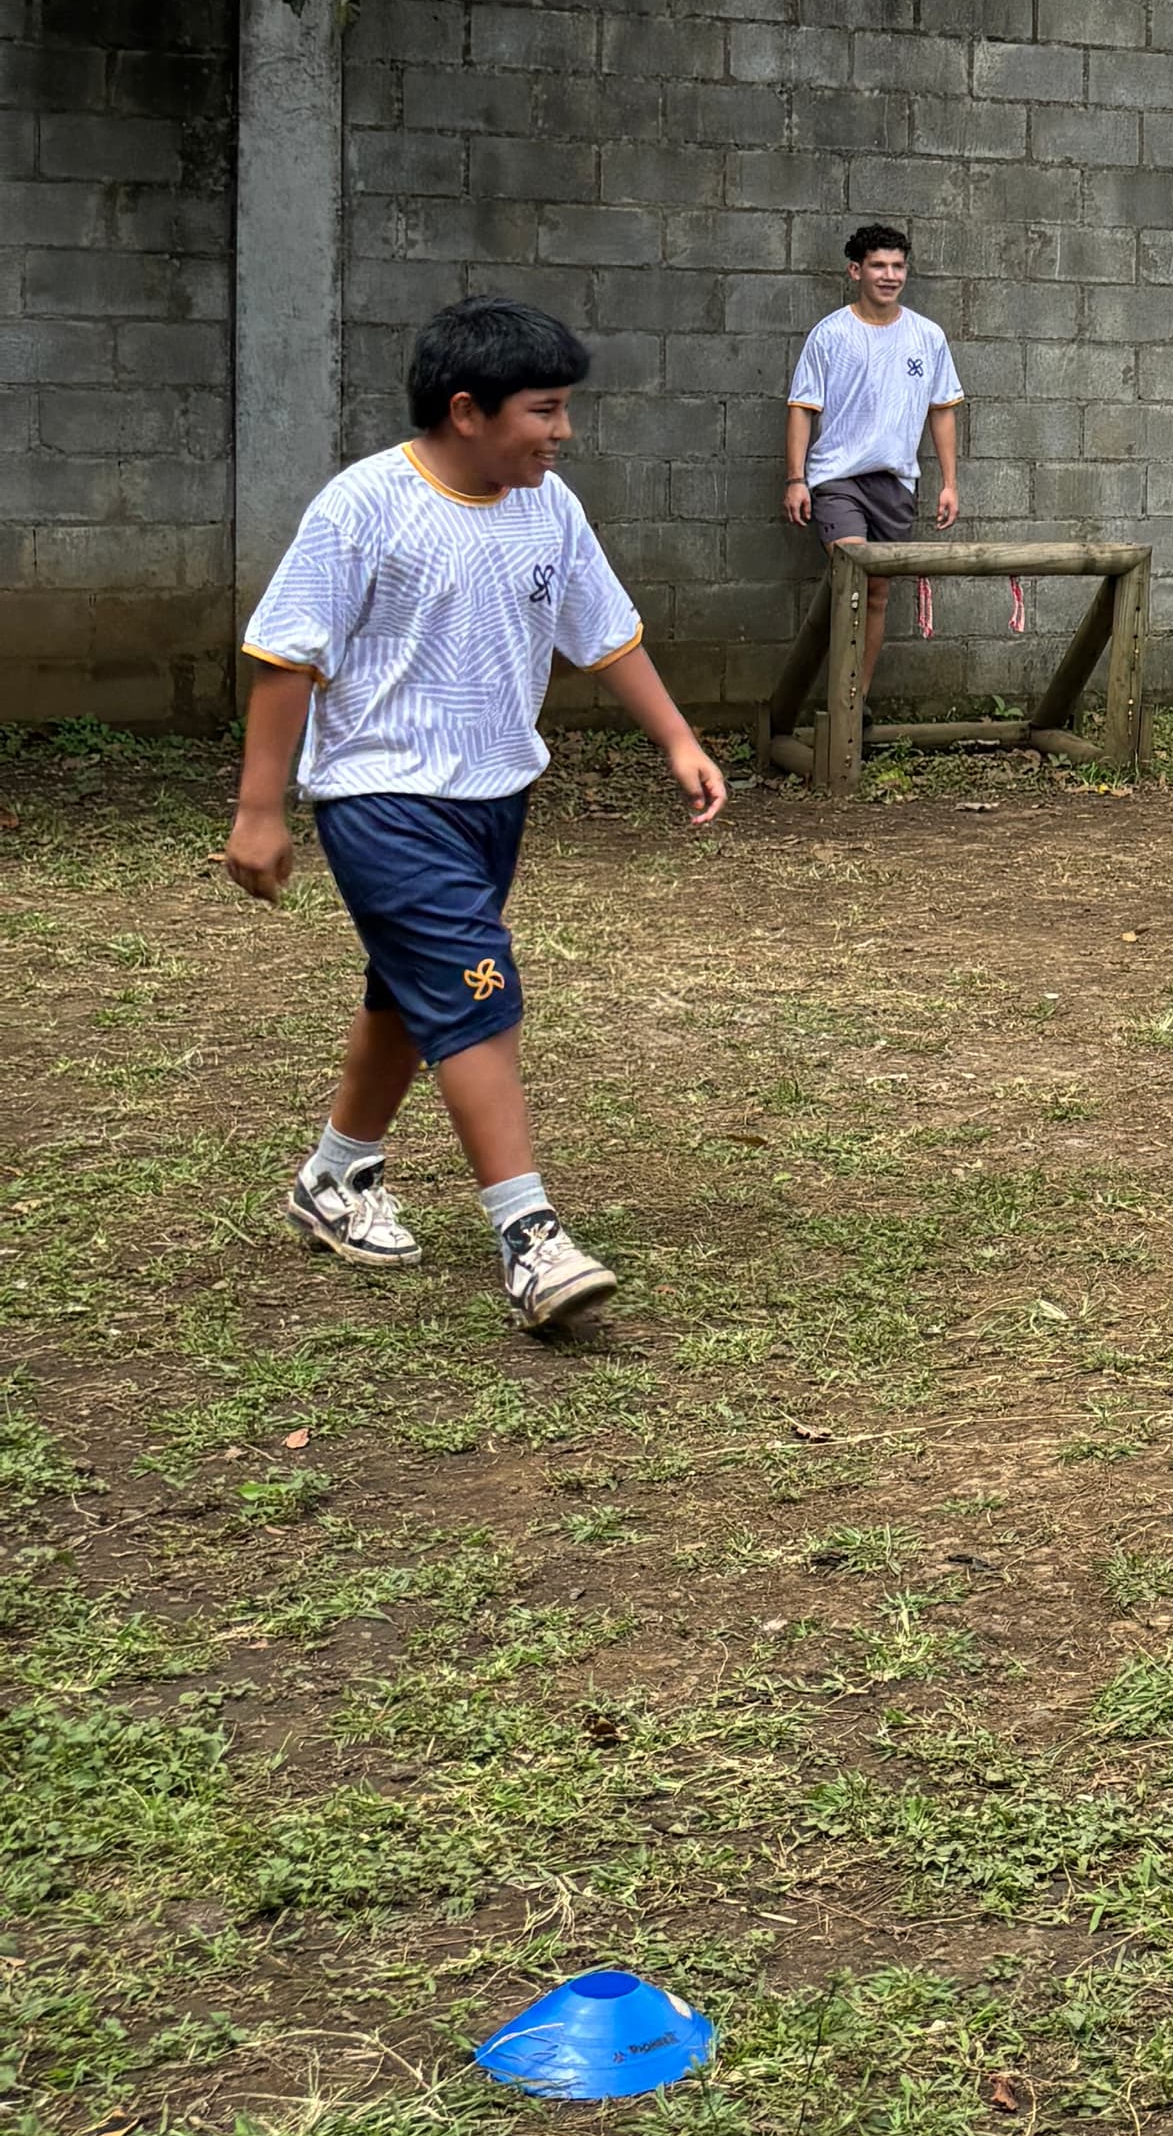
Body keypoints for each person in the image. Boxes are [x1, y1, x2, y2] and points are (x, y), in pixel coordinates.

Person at [227, 296, 728, 1335]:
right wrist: (258, 808)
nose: (564, 431)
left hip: (493, 797)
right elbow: (286, 653)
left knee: (415, 996)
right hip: (381, 795)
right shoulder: (362, 506)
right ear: (468, 409)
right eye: (545, 410)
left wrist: (677, 738)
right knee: (476, 989)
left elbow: (605, 631)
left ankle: (335, 1176)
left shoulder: (550, 507)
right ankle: (530, 1237)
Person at [781, 222, 963, 701]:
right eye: (878, 265)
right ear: (855, 270)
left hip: (895, 483)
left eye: (897, 266)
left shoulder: (927, 336)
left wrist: (949, 483)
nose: (889, 275)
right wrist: (796, 479)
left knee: (877, 595)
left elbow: (941, 411)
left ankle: (853, 703)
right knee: (854, 580)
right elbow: (802, 407)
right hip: (837, 480)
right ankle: (836, 702)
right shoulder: (830, 335)